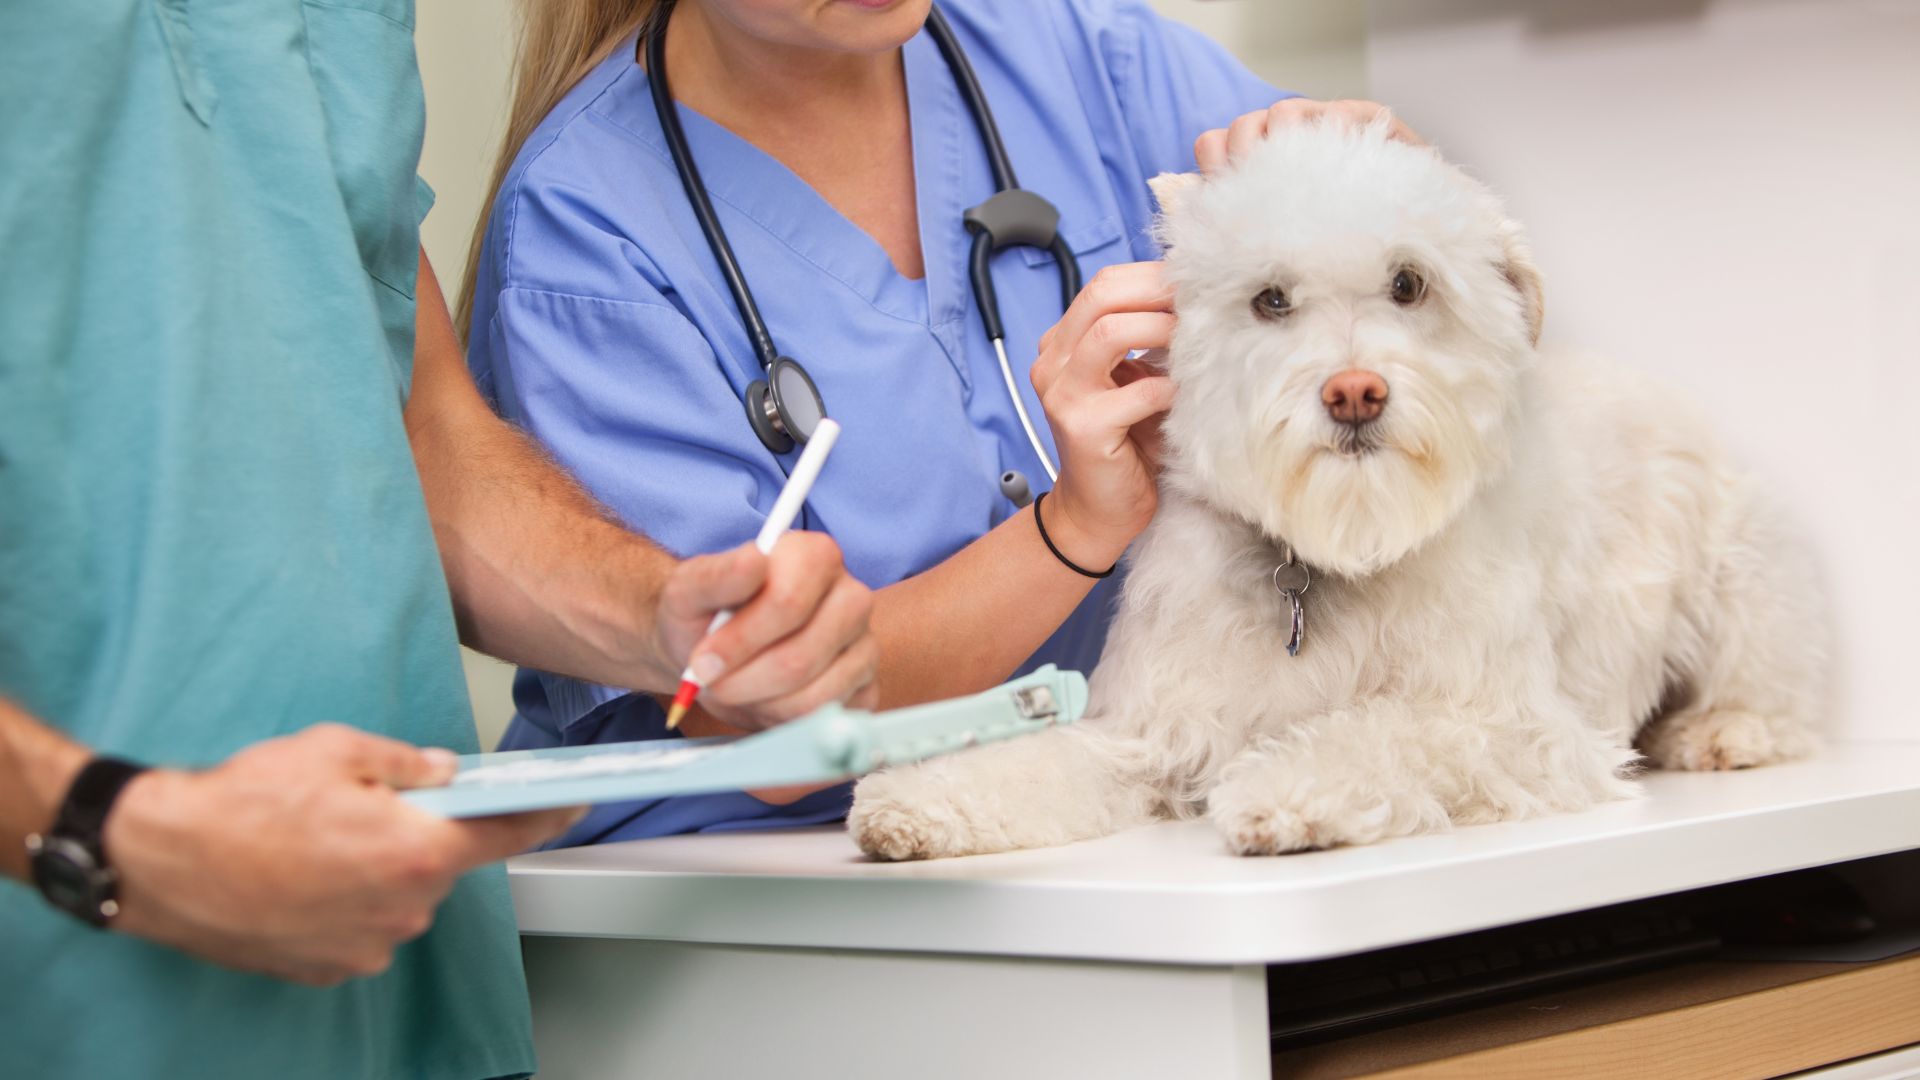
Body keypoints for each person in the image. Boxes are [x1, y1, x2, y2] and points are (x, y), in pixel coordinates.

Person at [0, 2, 876, 1077]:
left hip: (403, 987)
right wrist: (112, 830)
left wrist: (663, 618)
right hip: (75, 975)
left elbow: (415, 429)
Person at [460, 0, 1418, 845]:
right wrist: (1075, 528)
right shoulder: (587, 228)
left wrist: (1390, 190)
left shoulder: (1075, 55)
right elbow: (759, 710)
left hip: (1111, 824)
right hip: (740, 879)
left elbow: (1457, 308)